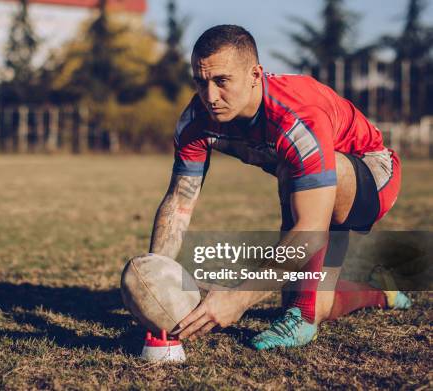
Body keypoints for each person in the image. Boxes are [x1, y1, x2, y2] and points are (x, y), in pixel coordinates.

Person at [148, 24, 411, 350]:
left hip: (371, 174)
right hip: (313, 191)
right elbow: (179, 201)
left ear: (255, 75)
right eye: (201, 82)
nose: (210, 96)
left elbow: (310, 230)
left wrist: (238, 299)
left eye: (222, 81)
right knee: (316, 305)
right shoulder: (196, 120)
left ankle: (302, 315)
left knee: (301, 305)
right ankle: (380, 291)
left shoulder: (296, 120)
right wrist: (154, 275)